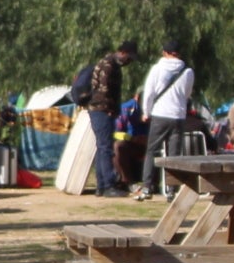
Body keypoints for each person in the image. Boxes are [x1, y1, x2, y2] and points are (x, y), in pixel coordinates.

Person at [135, 39, 195, 198]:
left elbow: (149, 93)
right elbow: (187, 94)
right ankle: (171, 189)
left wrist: (145, 112)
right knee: (174, 154)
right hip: (178, 116)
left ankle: (147, 186)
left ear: (164, 52)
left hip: (160, 114)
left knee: (152, 151)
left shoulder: (157, 69)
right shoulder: (188, 71)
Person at [81, 40, 136, 197]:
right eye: (129, 57)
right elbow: (103, 89)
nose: (129, 61)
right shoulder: (109, 65)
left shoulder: (110, 63)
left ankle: (101, 185)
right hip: (102, 109)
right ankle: (108, 185)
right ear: (123, 53)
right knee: (106, 148)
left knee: (102, 147)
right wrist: (110, 108)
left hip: (100, 109)